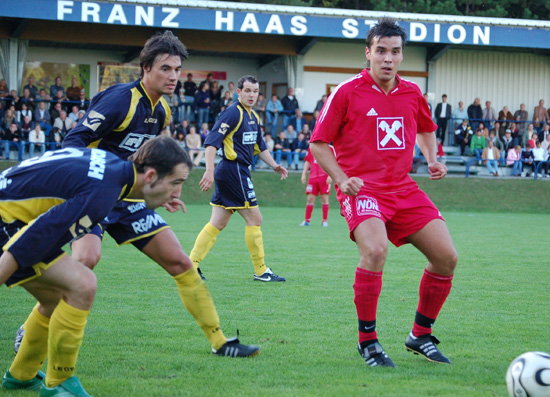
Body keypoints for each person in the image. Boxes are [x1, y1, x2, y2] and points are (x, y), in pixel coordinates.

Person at [12, 31, 260, 360]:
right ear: (145, 68)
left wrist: (161, 190)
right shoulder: (119, 100)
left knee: (180, 262)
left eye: (177, 70)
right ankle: (31, 330)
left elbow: (150, 160)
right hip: (92, 194)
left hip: (127, 198)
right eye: (166, 69)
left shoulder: (163, 112)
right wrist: (90, 185)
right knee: (86, 259)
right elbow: (72, 143)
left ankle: (220, 342)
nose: (174, 76)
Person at [309, 17, 457, 368]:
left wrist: (433, 159)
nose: (387, 58)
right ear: (368, 53)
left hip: (402, 188)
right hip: (362, 188)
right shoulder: (346, 92)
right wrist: (342, 179)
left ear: (402, 56)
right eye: (381, 51)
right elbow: (318, 143)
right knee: (374, 251)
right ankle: (368, 342)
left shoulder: (411, 93)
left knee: (446, 257)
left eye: (395, 52)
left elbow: (425, 128)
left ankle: (420, 334)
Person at [0, 137, 193, 396]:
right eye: (175, 183)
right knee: (82, 284)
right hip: (7, 223)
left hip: (11, 216)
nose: (178, 193)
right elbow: (34, 236)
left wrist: (157, 197)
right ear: (150, 175)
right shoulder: (102, 192)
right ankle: (60, 385)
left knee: (55, 297)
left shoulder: (112, 168)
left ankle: (20, 376)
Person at [189, 75, 288, 282]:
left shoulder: (254, 117)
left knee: (218, 222)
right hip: (233, 170)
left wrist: (275, 165)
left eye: (255, 91)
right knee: (255, 218)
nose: (252, 95)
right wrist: (208, 170)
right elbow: (211, 143)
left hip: (234, 171)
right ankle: (261, 271)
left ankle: (191, 265)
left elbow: (260, 148)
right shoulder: (233, 113)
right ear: (239, 92)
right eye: (248, 91)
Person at [300, 146, 334, 227]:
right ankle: (307, 220)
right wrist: (303, 174)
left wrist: (331, 175)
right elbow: (307, 161)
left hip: (324, 177)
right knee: (310, 199)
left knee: (324, 199)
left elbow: (333, 162)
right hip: (313, 177)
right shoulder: (311, 147)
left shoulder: (330, 148)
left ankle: (325, 221)